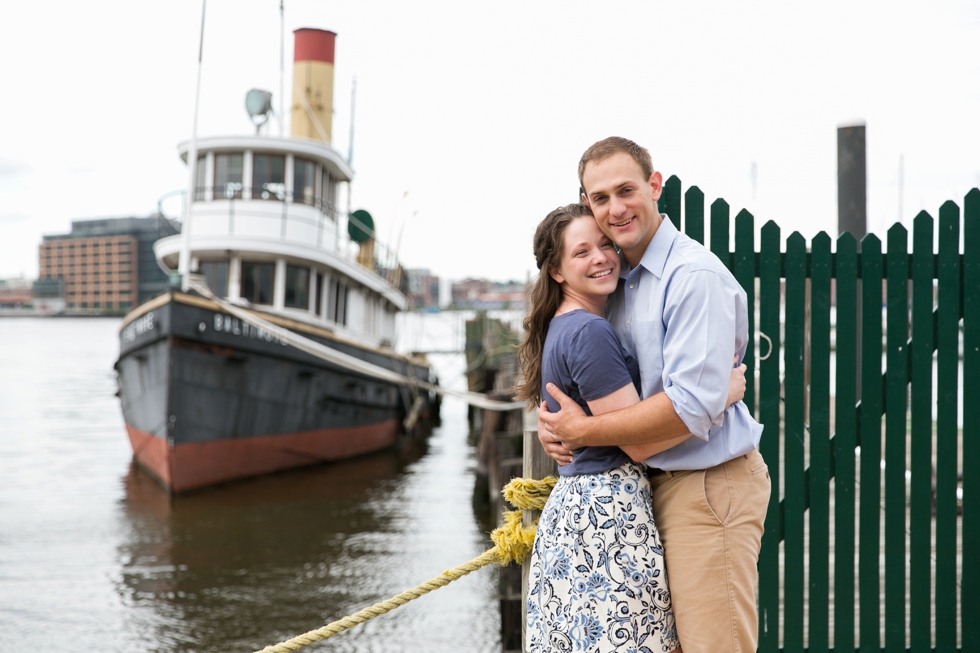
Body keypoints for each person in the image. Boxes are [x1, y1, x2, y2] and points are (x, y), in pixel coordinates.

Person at [538, 137, 770, 653]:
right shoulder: (620, 280)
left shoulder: (693, 277)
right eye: (600, 198)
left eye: (626, 190)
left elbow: (687, 409)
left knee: (716, 645)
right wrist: (551, 420)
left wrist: (581, 430)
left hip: (706, 486)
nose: (615, 208)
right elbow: (602, 381)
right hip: (647, 491)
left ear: (654, 186)